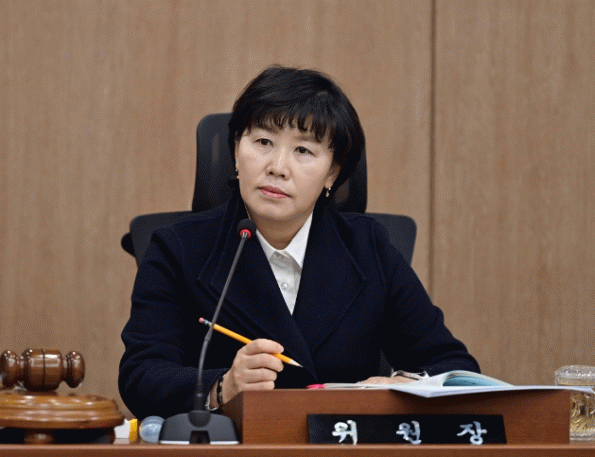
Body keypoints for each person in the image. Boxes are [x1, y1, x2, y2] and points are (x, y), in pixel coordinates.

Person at [119, 65, 480, 420]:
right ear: (236, 150)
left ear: (332, 173)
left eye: (303, 151)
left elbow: (456, 369)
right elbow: (141, 376)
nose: (278, 167)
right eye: (263, 142)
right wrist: (222, 386)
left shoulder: (368, 248)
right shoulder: (178, 248)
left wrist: (405, 385)